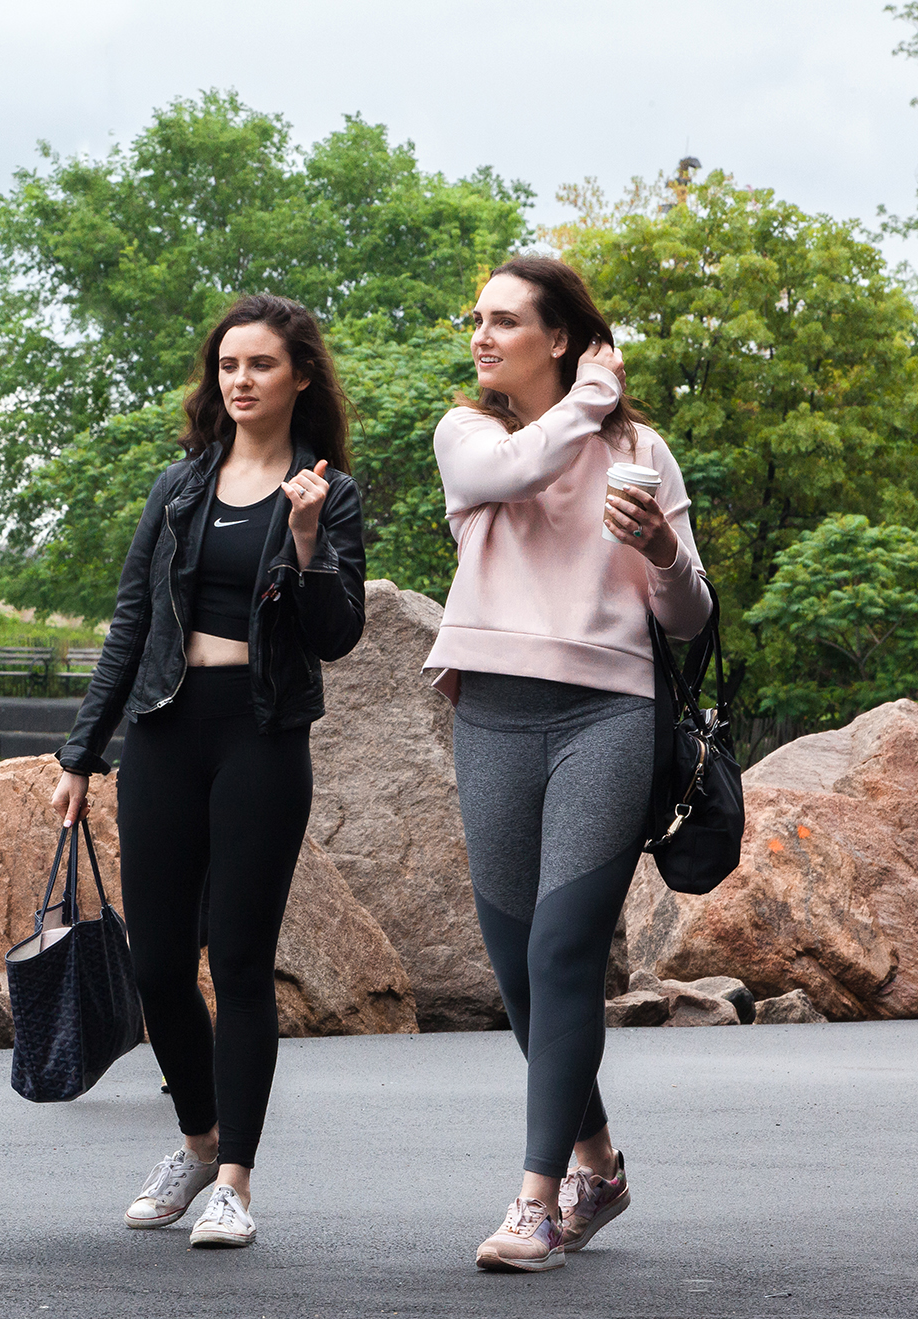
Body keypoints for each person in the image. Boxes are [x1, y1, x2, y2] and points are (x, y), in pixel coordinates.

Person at [52, 293, 367, 1249]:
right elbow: (131, 624)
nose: (240, 380)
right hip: (165, 726)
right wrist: (80, 751)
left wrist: (309, 545)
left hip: (261, 734)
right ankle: (196, 1140)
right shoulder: (179, 487)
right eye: (228, 366)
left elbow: (337, 635)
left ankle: (235, 1179)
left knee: (235, 956)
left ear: (300, 377)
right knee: (155, 962)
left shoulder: (327, 491)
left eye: (261, 365)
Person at [428, 257, 711, 1272]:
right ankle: (597, 1159)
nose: (480, 335)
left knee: (559, 958)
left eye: (503, 320)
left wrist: (662, 556)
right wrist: (592, 392)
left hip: (605, 714)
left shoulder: (639, 450)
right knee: (517, 977)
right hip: (492, 715)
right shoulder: (468, 435)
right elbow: (502, 479)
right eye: (477, 319)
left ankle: (535, 1198)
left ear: (556, 335)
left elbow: (685, 617)